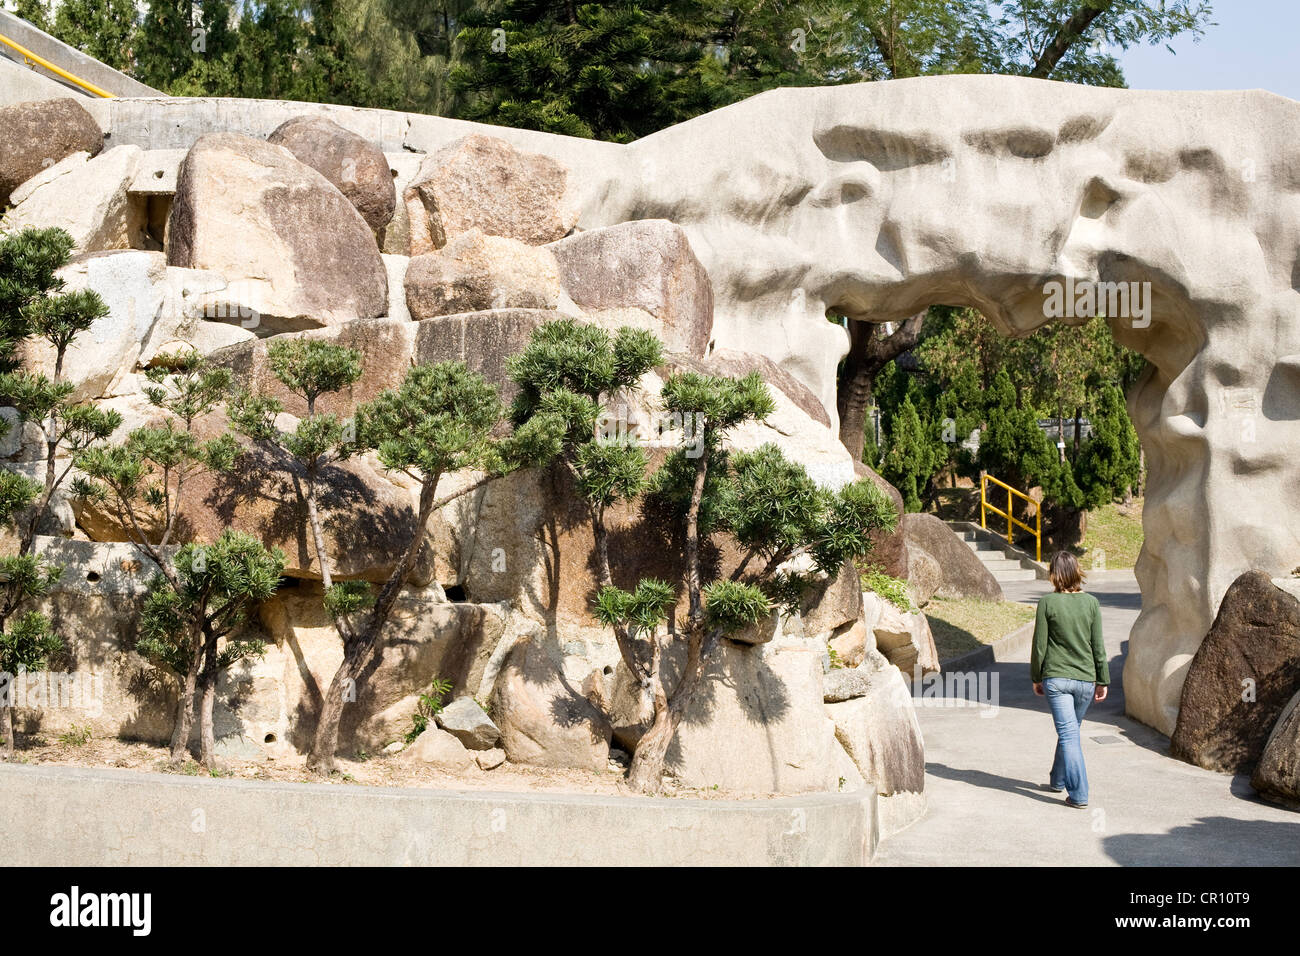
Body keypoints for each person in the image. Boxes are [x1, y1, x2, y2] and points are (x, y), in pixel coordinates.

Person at [1031, 550, 1109, 809]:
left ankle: (1079, 794)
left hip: (1056, 678)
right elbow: (1098, 645)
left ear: (1054, 575)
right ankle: (1057, 779)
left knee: (1068, 734)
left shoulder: (1047, 603)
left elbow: (1039, 645)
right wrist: (1103, 680)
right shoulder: (1091, 603)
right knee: (1070, 731)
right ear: (1077, 571)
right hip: (1086, 679)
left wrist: (1036, 677)